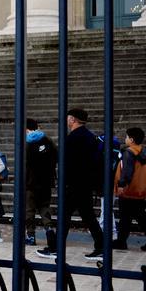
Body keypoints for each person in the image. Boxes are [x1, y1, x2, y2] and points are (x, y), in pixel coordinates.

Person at [37, 107, 105, 261]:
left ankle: (56, 248)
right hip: (85, 183)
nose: (67, 120)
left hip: (74, 184)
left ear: (73, 119)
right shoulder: (89, 136)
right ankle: (101, 247)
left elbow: (69, 162)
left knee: (65, 216)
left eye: (68, 118)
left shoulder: (74, 137)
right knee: (87, 216)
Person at [113, 127, 146, 252]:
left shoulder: (129, 152)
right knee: (133, 217)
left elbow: (127, 171)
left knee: (131, 217)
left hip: (129, 190)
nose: (125, 139)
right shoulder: (142, 152)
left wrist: (121, 185)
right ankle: (121, 240)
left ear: (131, 139)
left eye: (126, 137)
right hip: (139, 190)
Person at [24, 118, 57, 249]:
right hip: (46, 181)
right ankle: (49, 232)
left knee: (29, 210)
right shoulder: (48, 140)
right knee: (44, 207)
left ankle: (31, 236)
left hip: (30, 182)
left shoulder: (25, 143)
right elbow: (56, 156)